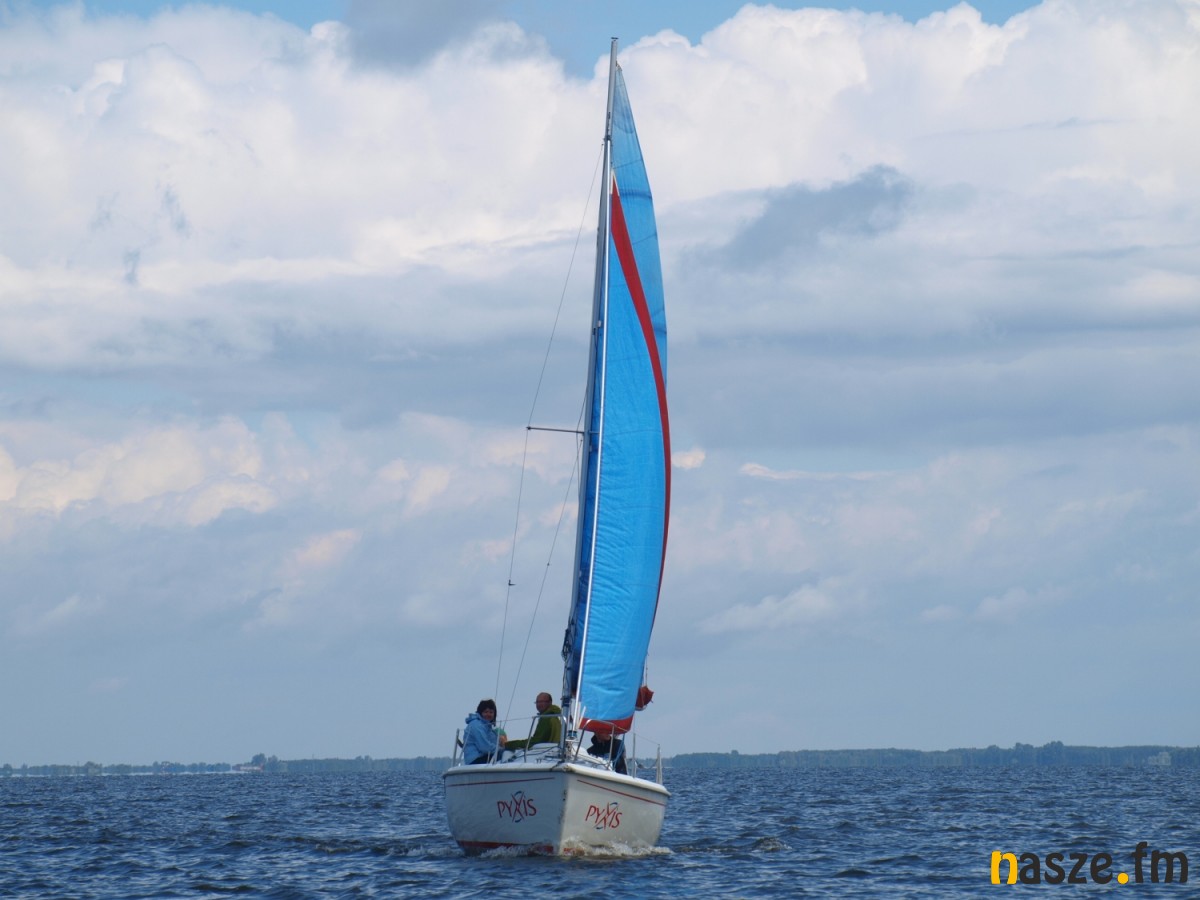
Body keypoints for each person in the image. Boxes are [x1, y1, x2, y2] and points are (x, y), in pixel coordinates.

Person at [462, 698, 506, 765]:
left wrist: (501, 743)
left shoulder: (486, 726)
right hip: (475, 760)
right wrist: (501, 750)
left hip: (482, 757)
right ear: (480, 712)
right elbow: (485, 747)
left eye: (491, 712)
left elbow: (492, 741)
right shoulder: (476, 725)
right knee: (505, 754)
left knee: (507, 753)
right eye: (486, 712)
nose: (488, 714)